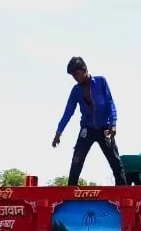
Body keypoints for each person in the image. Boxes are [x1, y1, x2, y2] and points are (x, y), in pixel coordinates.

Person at [53, 56, 127, 186]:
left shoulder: (101, 82)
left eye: (76, 74)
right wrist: (58, 132)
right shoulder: (76, 90)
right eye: (73, 76)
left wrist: (113, 123)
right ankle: (70, 192)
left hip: (104, 128)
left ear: (84, 69)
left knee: (115, 161)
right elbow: (68, 112)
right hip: (87, 128)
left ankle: (123, 192)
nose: (75, 78)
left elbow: (110, 103)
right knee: (77, 160)